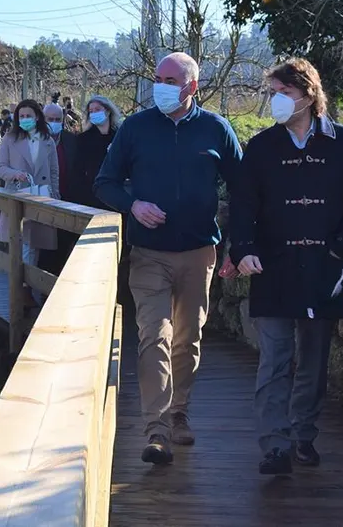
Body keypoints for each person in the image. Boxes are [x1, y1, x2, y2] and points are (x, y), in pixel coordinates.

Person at [229, 58, 343, 475]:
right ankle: (275, 445)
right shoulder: (261, 147)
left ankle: (304, 436)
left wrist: (340, 248)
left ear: (308, 95)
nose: (275, 101)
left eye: (284, 93)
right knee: (274, 359)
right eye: (272, 93)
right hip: (273, 269)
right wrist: (242, 249)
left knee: (313, 362)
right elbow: (243, 205)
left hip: (324, 272)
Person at [93, 52, 242, 465]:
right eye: (157, 77)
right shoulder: (136, 129)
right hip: (149, 254)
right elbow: (104, 182)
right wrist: (133, 204)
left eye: (170, 79)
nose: (160, 84)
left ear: (192, 86)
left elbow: (243, 188)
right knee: (152, 336)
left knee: (187, 339)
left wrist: (239, 246)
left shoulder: (216, 129)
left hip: (198, 253)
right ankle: (155, 430)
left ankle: (180, 413)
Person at [0, 99, 60, 307]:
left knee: (36, 247)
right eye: (21, 116)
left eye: (28, 116)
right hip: (17, 197)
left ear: (37, 117)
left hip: (42, 198)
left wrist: (56, 198)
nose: (24, 119)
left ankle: (31, 293)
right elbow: (0, 168)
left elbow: (53, 172)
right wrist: (17, 174)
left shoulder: (47, 140)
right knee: (23, 245)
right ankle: (22, 294)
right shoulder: (9, 138)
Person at [36, 102, 79, 275]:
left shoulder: (71, 141)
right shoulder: (33, 139)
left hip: (65, 201)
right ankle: (32, 289)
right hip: (40, 201)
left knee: (62, 246)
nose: (53, 122)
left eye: (57, 119)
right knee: (40, 247)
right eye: (50, 119)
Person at [75, 95, 122, 210]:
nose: (94, 113)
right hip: (91, 195)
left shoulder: (120, 136)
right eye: (91, 111)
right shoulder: (83, 139)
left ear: (108, 111)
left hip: (117, 194)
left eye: (97, 110)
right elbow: (78, 170)